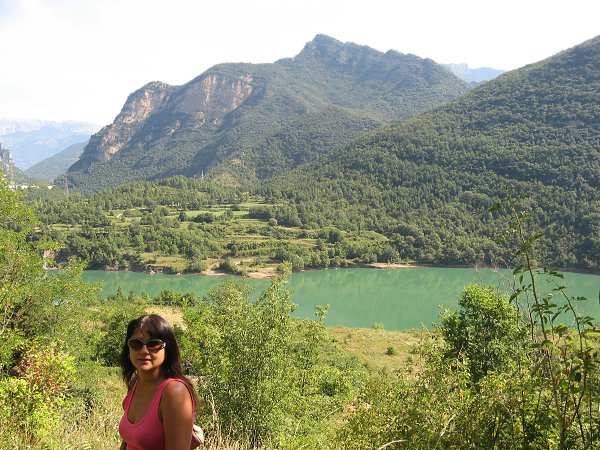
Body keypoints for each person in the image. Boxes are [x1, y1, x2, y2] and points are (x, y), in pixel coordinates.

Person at [118, 314, 197, 450]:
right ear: (128, 348)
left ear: (167, 349)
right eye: (136, 343)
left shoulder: (174, 392)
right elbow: (128, 443)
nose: (144, 351)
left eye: (153, 344)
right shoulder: (135, 384)